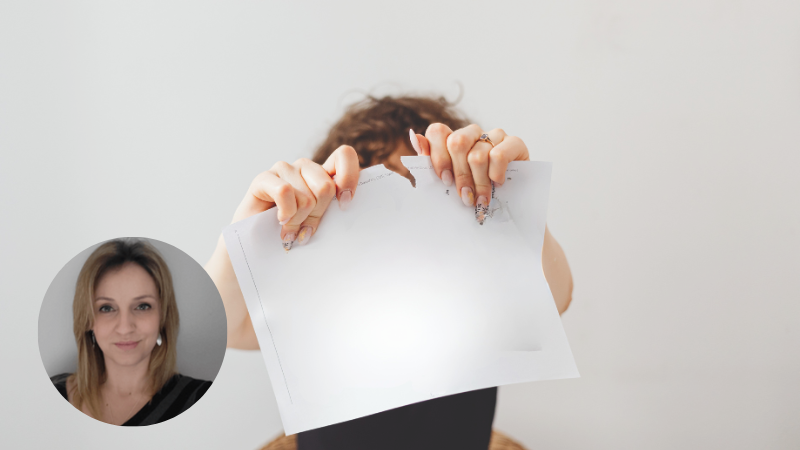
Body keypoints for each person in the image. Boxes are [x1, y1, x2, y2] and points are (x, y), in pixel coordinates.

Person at [205, 95, 573, 449]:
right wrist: (245, 237)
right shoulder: (315, 304)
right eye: (375, 207)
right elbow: (224, 326)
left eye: (424, 196)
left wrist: (512, 208)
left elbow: (556, 296)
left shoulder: (477, 300)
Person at [51, 239, 212, 426]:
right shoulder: (54, 395)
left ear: (163, 316)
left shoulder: (201, 399)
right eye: (106, 308)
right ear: (87, 320)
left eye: (142, 306)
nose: (125, 327)